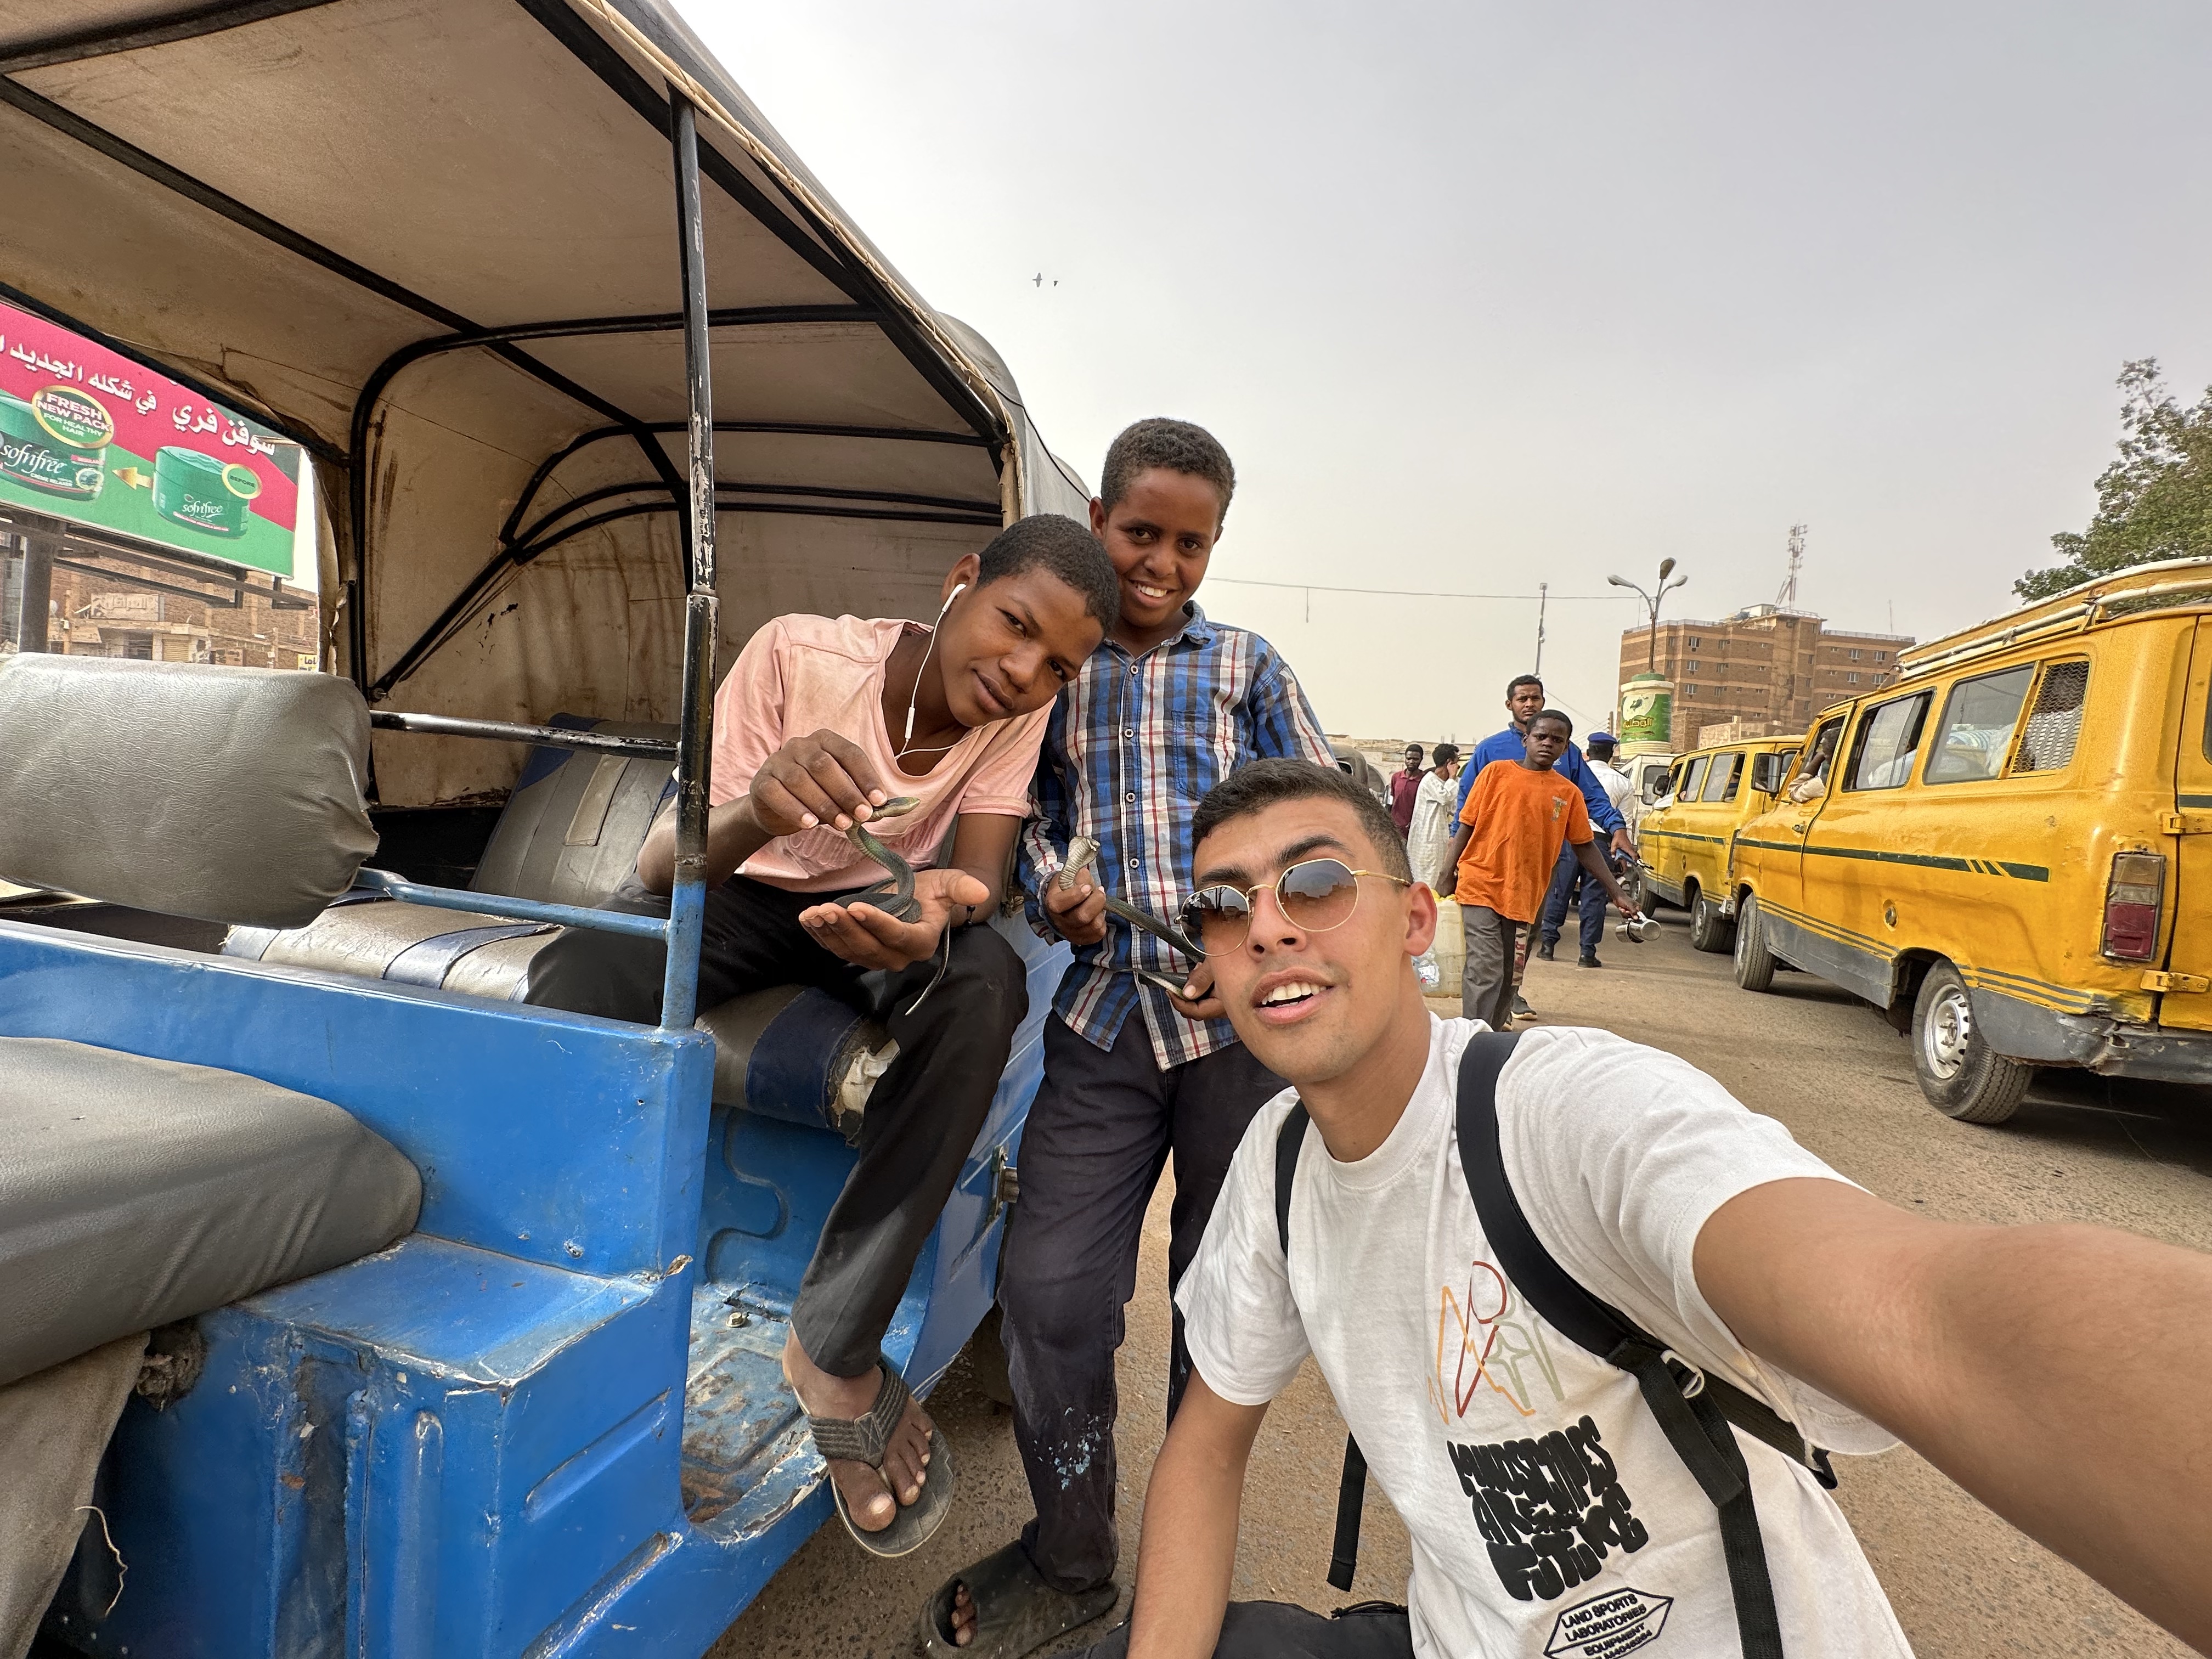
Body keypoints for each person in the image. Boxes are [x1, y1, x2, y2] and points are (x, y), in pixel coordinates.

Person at [1081, 759, 2212, 1658]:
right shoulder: (1278, 1163)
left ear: (1416, 920)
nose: (1267, 927)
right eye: (1224, 905)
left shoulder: (1569, 1111)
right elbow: (1206, 1445)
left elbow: (1930, 1314)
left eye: (1316, 884)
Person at [525, 515, 1118, 1554]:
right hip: (740, 889)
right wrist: (762, 805)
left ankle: (833, 1343)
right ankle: (553, 1269)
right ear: (963, 579)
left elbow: (978, 878)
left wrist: (935, 914)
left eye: (1058, 666)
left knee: (986, 987)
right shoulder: (799, 656)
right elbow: (667, 864)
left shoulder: (1015, 716)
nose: (1025, 672)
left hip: (883, 909)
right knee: (579, 967)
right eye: (1015, 625)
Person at [931, 419, 1335, 1656]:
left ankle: (1180, 1562)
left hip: (1238, 1041)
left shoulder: (1248, 667)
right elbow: (1022, 816)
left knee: (1224, 1301)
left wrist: (1250, 942)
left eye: (1190, 544)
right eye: (1142, 533)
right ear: (1099, 520)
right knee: (1049, 1292)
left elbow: (1322, 825)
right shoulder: (1056, 666)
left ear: (1214, 548)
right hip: (1103, 1021)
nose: (1161, 563)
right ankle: (1071, 1558)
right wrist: (1053, 886)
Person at [1441, 710, 1637, 1031]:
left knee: (1510, 971)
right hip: (1481, 883)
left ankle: (1492, 1032)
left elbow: (1584, 845)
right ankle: (1472, 1039)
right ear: (1526, 740)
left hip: (1527, 894)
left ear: (1566, 748)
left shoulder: (1568, 793)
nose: (1547, 744)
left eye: (1557, 740)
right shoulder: (1495, 774)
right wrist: (1446, 873)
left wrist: (1617, 893)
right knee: (1485, 967)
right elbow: (1466, 824)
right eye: (1541, 736)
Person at [1536, 730, 1635, 967]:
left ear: (1588, 752)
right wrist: (1622, 856)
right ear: (1611, 755)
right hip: (1602, 843)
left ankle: (1548, 946)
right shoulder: (1623, 782)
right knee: (1595, 898)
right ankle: (1587, 954)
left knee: (1559, 892)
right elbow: (1625, 823)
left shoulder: (1573, 774)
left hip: (1568, 841)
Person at [1403, 742, 1460, 891]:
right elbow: (1445, 797)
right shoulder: (1429, 780)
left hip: (1438, 838)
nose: (1458, 767)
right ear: (1449, 763)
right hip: (1426, 840)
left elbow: (1453, 807)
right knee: (1426, 877)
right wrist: (1453, 777)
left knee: (1436, 875)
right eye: (1456, 763)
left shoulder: (1446, 783)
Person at [1387, 743, 1424, 839]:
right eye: (1409, 758)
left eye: (1415, 759)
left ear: (1421, 760)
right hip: (1395, 827)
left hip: (1414, 829)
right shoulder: (1396, 777)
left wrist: (1415, 823)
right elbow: (1391, 800)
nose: (1411, 762)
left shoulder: (1424, 780)